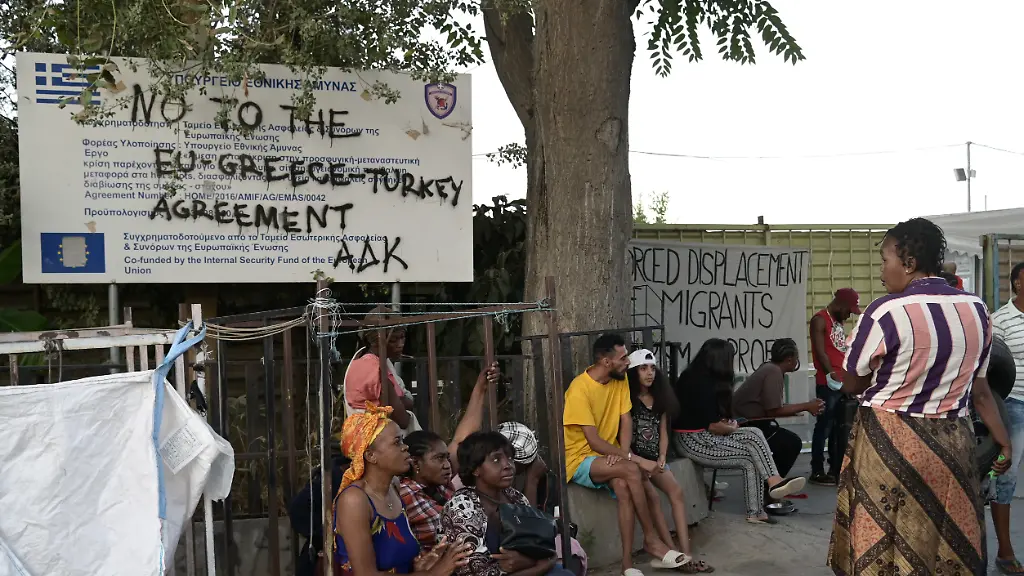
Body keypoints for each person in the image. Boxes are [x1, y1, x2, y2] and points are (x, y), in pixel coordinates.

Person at [827, 217, 1013, 576]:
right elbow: (982, 392)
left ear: (908, 263)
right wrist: (1003, 443)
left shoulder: (885, 311)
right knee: (945, 537)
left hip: (888, 442)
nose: (883, 272)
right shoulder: (977, 310)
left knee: (885, 536)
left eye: (885, 260)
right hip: (952, 446)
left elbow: (851, 382)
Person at [563, 334, 690, 575]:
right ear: (606, 361)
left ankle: (626, 565)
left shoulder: (619, 380)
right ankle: (651, 539)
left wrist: (621, 454)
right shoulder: (579, 389)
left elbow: (626, 421)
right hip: (579, 459)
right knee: (634, 470)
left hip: (609, 456)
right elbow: (592, 440)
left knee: (623, 485)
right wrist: (632, 458)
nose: (627, 363)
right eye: (623, 358)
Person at [672, 338, 806, 525]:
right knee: (749, 457)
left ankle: (773, 482)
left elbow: (711, 420)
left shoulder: (701, 377)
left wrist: (729, 423)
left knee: (754, 434)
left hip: (704, 435)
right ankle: (757, 509)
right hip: (693, 441)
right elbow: (713, 427)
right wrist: (731, 427)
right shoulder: (697, 383)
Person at [333, 403, 472, 575]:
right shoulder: (355, 500)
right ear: (370, 455)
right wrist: (434, 573)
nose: (405, 447)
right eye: (397, 442)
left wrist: (421, 567)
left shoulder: (394, 487)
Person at [623, 349, 715, 574]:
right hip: (634, 462)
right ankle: (675, 555)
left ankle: (687, 551)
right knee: (653, 498)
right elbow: (622, 439)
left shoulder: (660, 398)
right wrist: (637, 461)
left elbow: (663, 431)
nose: (649, 373)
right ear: (633, 372)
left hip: (656, 461)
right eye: (643, 369)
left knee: (677, 493)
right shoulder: (627, 400)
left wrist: (663, 456)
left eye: (652, 368)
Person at [440, 431, 574, 576]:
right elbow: (476, 571)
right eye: (496, 460)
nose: (508, 465)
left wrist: (538, 561)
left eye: (510, 458)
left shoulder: (515, 497)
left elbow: (537, 545)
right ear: (476, 469)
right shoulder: (462, 506)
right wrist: (540, 566)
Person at [399, 363, 499, 550]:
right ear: (416, 463)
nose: (447, 465)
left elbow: (462, 437)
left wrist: (480, 388)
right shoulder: (405, 494)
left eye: (446, 457)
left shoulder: (440, 483)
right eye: (438, 459)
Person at [732, 338, 824, 478]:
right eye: (796, 357)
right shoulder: (773, 371)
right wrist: (806, 406)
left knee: (787, 441)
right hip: (744, 426)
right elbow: (774, 410)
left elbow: (774, 406)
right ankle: (771, 485)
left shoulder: (770, 368)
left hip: (749, 423)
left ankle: (769, 482)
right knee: (792, 443)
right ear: (788, 359)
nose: (796, 361)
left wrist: (806, 406)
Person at [991, 261, 1024, 574]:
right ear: (1016, 283)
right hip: (1014, 404)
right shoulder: (999, 320)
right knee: (1006, 477)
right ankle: (1004, 551)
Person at [808, 287, 860, 486]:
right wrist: (831, 374)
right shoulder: (820, 320)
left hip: (841, 382)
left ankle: (835, 468)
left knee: (840, 428)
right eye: (848, 310)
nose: (849, 315)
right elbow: (821, 353)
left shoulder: (838, 322)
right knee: (824, 427)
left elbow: (839, 351)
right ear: (840, 304)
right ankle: (817, 470)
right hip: (828, 382)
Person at [343, 305, 421, 434]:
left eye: (402, 337)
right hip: (379, 438)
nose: (401, 345)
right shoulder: (374, 370)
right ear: (377, 340)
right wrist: (401, 402)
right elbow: (403, 420)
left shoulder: (367, 361)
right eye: (394, 340)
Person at [287, 446, 349, 576]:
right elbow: (299, 510)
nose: (403, 448)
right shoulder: (336, 476)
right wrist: (332, 533)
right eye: (396, 442)